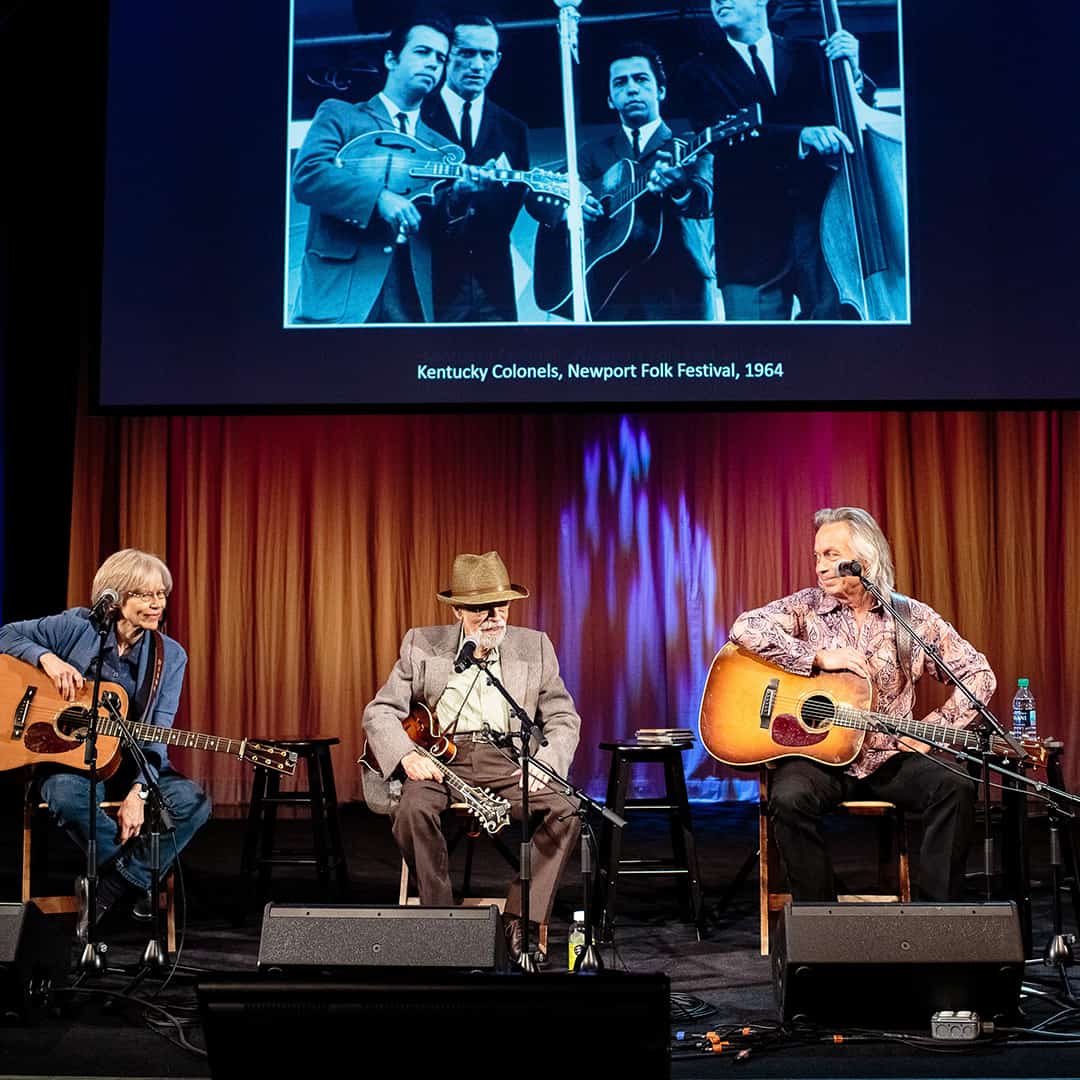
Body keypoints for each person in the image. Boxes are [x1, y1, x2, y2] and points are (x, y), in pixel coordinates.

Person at [729, 507, 995, 901]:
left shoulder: (911, 618)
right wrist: (817, 657)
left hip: (890, 759)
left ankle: (939, 918)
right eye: (817, 556)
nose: (819, 567)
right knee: (788, 798)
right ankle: (821, 920)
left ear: (863, 559)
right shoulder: (805, 607)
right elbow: (744, 627)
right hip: (818, 758)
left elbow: (979, 675)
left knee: (955, 786)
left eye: (832, 556)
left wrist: (934, 731)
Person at [362, 551, 581, 962]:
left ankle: (522, 918)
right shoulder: (422, 643)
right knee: (411, 810)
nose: (493, 616)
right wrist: (407, 756)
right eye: (480, 609)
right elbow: (379, 711)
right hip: (441, 757)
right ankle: (442, 922)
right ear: (459, 610)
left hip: (508, 758)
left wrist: (547, 763)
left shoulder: (534, 646)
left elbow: (562, 716)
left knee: (568, 808)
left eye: (500, 605)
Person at [0, 549, 211, 940]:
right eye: (144, 595)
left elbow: (158, 729)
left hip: (131, 764)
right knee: (65, 795)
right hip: (69, 761)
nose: (156, 604)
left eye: (161, 595)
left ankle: (109, 887)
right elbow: (5, 634)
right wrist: (47, 659)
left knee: (192, 802)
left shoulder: (170, 656)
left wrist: (139, 791)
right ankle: (137, 883)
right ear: (114, 598)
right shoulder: (76, 626)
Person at [679, 0, 875, 320]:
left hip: (823, 230)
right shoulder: (696, 73)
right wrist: (801, 135)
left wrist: (852, 72)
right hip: (748, 242)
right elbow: (725, 141)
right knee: (755, 352)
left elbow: (854, 120)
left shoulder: (814, 54)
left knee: (836, 349)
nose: (718, 0)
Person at [291, 18, 457, 324]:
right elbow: (308, 175)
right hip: (341, 293)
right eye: (423, 52)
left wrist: (462, 198)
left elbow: (442, 223)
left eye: (441, 58)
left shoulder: (442, 147)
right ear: (391, 59)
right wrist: (379, 197)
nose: (434, 63)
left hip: (411, 298)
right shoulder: (340, 113)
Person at [572, 42, 715, 321]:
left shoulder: (689, 145)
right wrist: (575, 204)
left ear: (661, 90)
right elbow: (549, 197)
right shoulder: (591, 153)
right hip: (609, 290)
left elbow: (705, 201)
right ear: (610, 99)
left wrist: (680, 188)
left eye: (641, 79)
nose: (632, 89)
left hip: (680, 289)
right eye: (620, 82)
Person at [421, 15, 545, 322]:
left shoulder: (513, 129)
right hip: (430, 281)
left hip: (495, 284)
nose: (477, 65)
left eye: (487, 55)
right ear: (447, 54)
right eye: (467, 52)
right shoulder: (418, 116)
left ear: (497, 60)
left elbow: (512, 204)